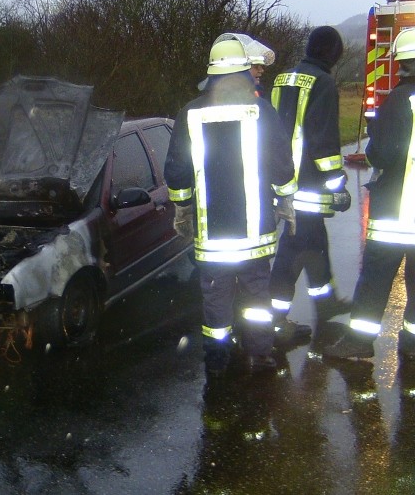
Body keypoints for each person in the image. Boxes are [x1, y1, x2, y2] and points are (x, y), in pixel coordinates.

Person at [165, 37, 297, 376]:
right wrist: (285, 200)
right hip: (255, 234)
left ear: (211, 74)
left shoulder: (189, 113)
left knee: (215, 298)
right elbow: (282, 163)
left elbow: (177, 171)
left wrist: (182, 209)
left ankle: (217, 359)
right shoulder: (262, 111)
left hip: (212, 237)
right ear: (244, 71)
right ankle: (261, 354)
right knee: (257, 297)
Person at [324, 28, 415, 360]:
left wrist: (375, 146)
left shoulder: (399, 101)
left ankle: (359, 342)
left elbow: (382, 154)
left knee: (376, 277)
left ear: (402, 63)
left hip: (396, 212)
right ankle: (412, 344)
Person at [268, 26, 352, 347]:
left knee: (315, 245)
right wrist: (337, 184)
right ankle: (276, 320)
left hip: (283, 181)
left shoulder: (282, 79)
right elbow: (323, 140)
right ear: (332, 53)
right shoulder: (323, 83)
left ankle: (325, 303)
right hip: (308, 187)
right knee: (292, 252)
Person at [197, 33, 275, 97]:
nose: (261, 70)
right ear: (236, 69)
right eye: (256, 66)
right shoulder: (259, 106)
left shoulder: (193, 106)